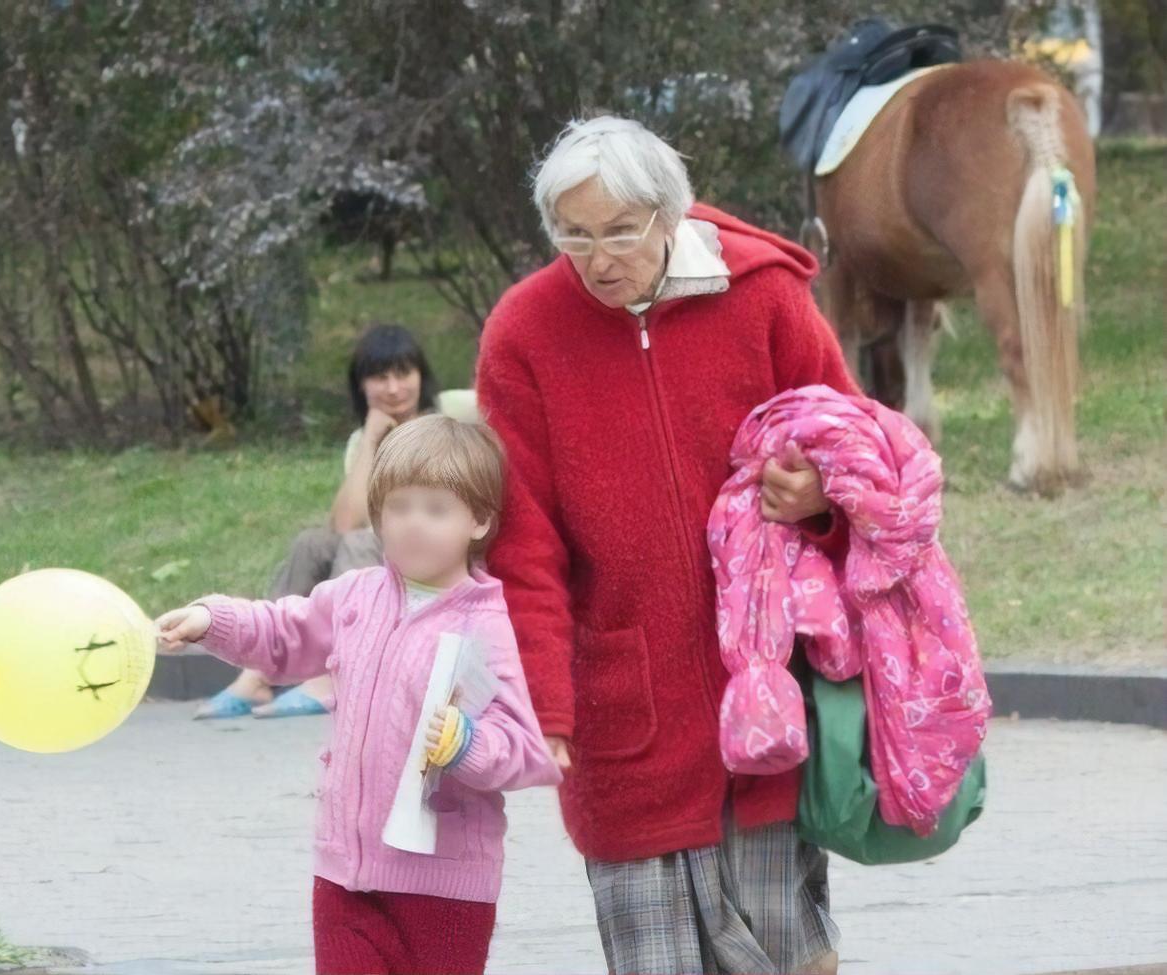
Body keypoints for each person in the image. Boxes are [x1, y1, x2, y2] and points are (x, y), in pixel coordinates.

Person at [475, 115, 862, 975]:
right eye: (573, 234)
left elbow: (861, 450)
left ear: (670, 215)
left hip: (764, 691)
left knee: (789, 954)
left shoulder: (764, 299)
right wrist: (543, 697)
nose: (598, 256)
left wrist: (820, 499)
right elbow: (521, 539)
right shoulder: (525, 332)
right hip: (623, 705)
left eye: (619, 230)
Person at [156, 414, 562, 975]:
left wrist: (466, 744)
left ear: (479, 520)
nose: (413, 524)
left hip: (444, 889)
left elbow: (523, 747)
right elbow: (284, 632)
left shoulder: (490, 624)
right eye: (398, 508)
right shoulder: (355, 595)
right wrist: (212, 619)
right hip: (344, 875)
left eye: (435, 509)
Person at [196, 323, 439, 720]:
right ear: (362, 386)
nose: (394, 388)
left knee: (358, 544)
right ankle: (258, 674)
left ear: (420, 377)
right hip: (383, 542)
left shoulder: (442, 427)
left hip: (437, 546)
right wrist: (371, 441)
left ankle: (334, 675)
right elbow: (343, 522)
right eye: (380, 377)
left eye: (403, 374)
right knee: (312, 542)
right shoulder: (365, 437)